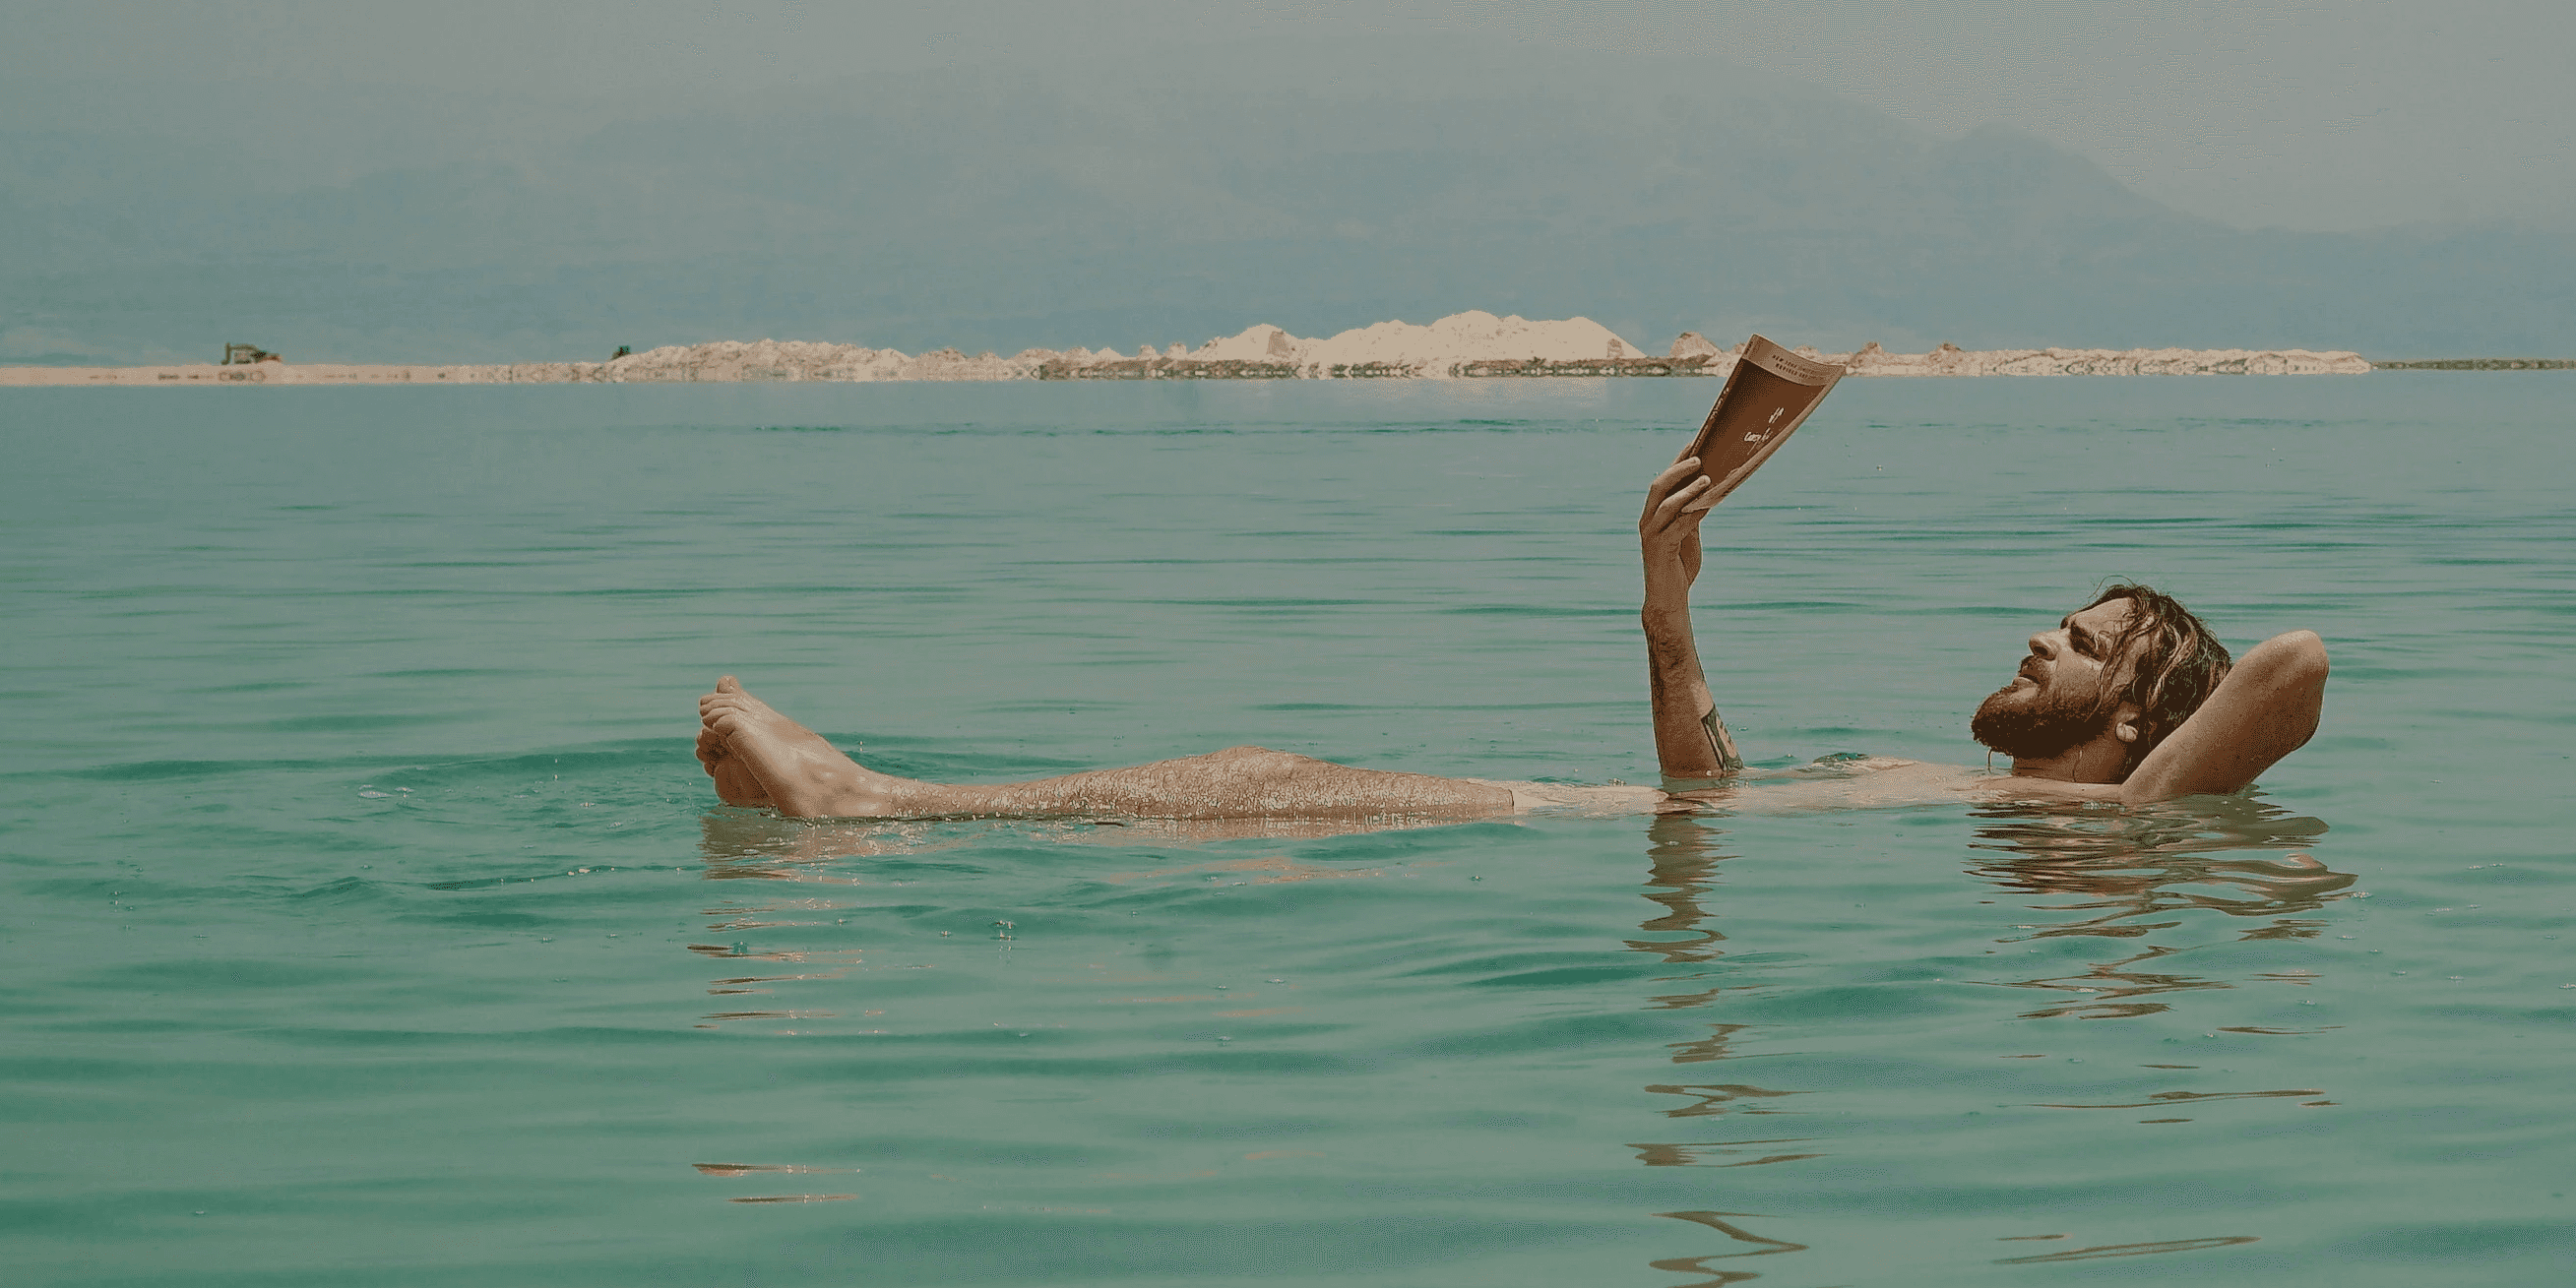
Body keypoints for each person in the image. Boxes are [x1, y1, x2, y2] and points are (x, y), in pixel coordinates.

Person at [694, 452, 2329, 825]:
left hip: (1557, 831)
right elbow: (1710, 799)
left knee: (1254, 790)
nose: (2038, 638)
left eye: (2082, 643)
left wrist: (2147, 783)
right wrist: (1667, 602)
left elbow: (2294, 665)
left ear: (2140, 712)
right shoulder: (2007, 812)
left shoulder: (2116, 829)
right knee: (1259, 781)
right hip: (1614, 822)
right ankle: (880, 803)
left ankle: (872, 807)